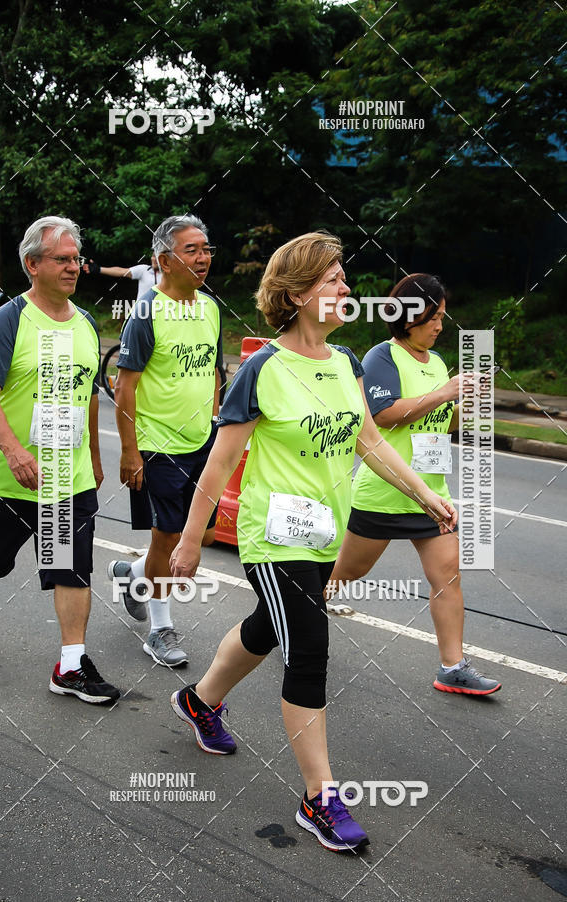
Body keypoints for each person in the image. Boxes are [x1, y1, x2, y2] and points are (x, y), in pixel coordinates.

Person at [169, 233, 457, 852]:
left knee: (267, 627)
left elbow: (369, 441)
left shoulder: (346, 362)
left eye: (343, 277)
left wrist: (424, 495)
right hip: (273, 539)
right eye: (333, 280)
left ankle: (200, 701)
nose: (347, 288)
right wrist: (190, 542)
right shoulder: (263, 369)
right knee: (308, 649)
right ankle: (319, 798)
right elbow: (219, 465)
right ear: (298, 294)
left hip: (324, 534)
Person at [0, 216, 120, 704]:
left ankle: (70, 666)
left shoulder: (86, 323)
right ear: (33, 264)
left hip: (66, 480)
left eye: (77, 258)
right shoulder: (10, 318)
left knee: (70, 567)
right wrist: (14, 452)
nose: (74, 267)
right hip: (7, 478)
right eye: (62, 259)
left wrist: (93, 459)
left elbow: (88, 396)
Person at [329, 273, 501, 695]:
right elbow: (383, 415)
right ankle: (288, 614)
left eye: (442, 317)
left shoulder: (437, 362)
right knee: (346, 572)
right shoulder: (382, 357)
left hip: (432, 494)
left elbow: (437, 422)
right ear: (409, 316)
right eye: (433, 317)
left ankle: (453, 667)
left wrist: (466, 405)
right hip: (385, 493)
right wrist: (444, 393)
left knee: (448, 575)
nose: (440, 325)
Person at [109, 215, 222, 667]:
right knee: (169, 537)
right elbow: (125, 387)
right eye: (192, 250)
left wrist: (216, 422)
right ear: (164, 260)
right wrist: (130, 450)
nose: (203, 257)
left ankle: (131, 574)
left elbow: (214, 370)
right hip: (158, 445)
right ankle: (159, 629)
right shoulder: (146, 312)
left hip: (202, 442)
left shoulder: (210, 308)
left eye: (206, 249)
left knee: (205, 533)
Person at [82, 254, 160, 299]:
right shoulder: (144, 270)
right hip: (141, 315)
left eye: (158, 257)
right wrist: (98, 269)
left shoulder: (167, 275)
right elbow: (121, 271)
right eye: (153, 256)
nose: (155, 259)